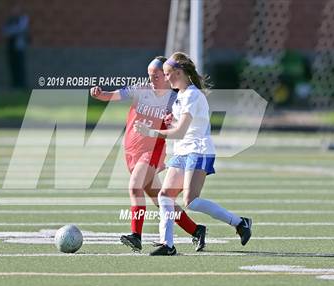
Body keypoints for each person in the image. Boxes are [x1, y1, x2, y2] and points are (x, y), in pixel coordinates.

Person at [134, 52, 252, 256]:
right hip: (182, 151)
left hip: (199, 150)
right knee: (164, 196)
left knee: (191, 200)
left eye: (167, 73)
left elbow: (180, 132)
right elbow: (181, 127)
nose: (166, 78)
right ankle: (167, 244)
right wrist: (172, 119)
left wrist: (151, 132)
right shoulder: (181, 94)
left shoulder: (192, 95)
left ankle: (239, 223)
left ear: (179, 73)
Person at [90, 56, 207, 252]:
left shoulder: (174, 99)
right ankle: (196, 230)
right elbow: (113, 95)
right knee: (160, 200)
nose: (151, 79)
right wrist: (99, 94)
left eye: (156, 76)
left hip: (152, 151)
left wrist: (172, 121)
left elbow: (182, 125)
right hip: (132, 151)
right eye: (149, 75)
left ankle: (136, 235)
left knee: (135, 187)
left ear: (167, 76)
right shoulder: (141, 89)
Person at [3, 5, 29, 88]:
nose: (14, 13)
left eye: (16, 11)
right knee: (12, 64)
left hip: (19, 45)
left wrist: (12, 31)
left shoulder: (23, 19)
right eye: (13, 11)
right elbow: (5, 32)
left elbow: (21, 29)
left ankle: (22, 84)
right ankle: (14, 83)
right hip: (10, 45)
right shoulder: (9, 21)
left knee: (20, 65)